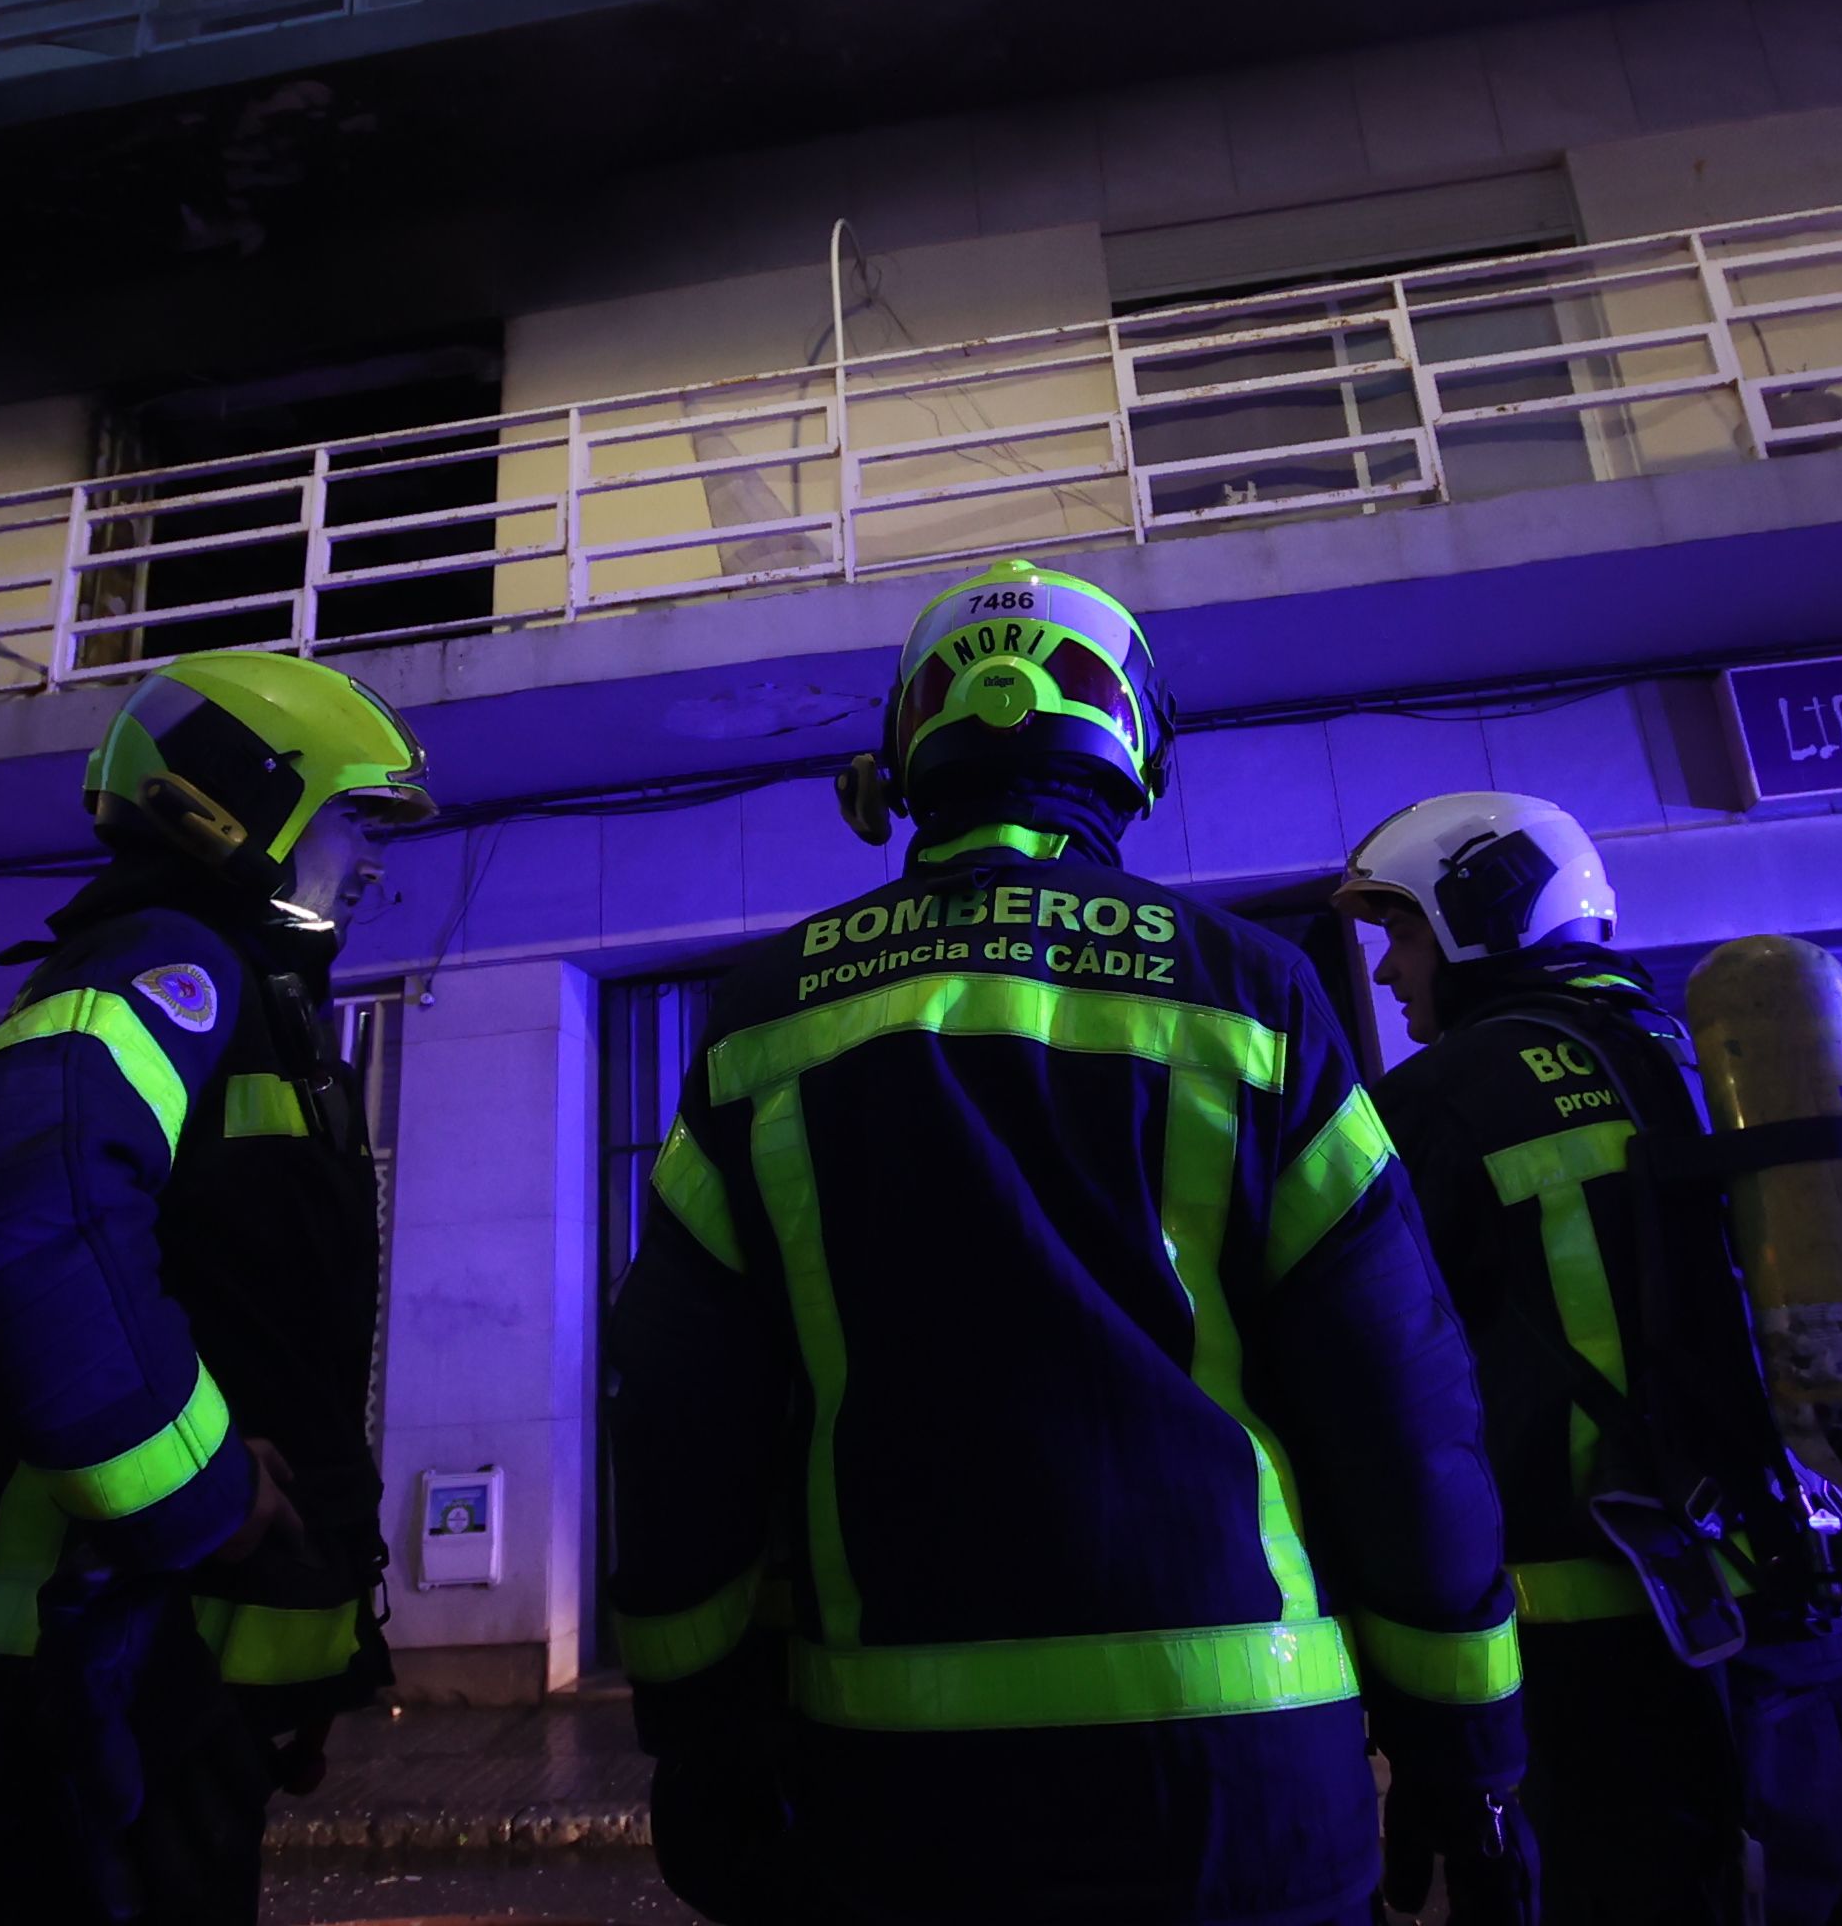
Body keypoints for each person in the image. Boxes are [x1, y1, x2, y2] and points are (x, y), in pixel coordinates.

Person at [608, 560, 1533, 1926]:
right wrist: (1470, 1753)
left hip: (894, 1793)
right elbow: (1398, 1399)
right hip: (1243, 1779)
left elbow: (681, 1413)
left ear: (906, 747)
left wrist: (695, 1736)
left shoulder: (765, 1022)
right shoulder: (1251, 993)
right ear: (1137, 747)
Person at [0, 650, 432, 1925]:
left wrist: (303, 1658)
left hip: (144, 1704)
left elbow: (260, 1333)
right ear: (239, 805)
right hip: (47, 1720)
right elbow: (16, 1193)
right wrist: (201, 1499)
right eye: (346, 821)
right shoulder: (170, 963)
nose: (370, 865)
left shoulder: (249, 1008)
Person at [1336, 794, 1842, 1926]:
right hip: (1833, 1641)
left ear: (1478, 913)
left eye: (1403, 933)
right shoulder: (1730, 1067)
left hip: (1612, 1663)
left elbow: (1372, 1388)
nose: (1388, 972)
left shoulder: (1435, 1104)